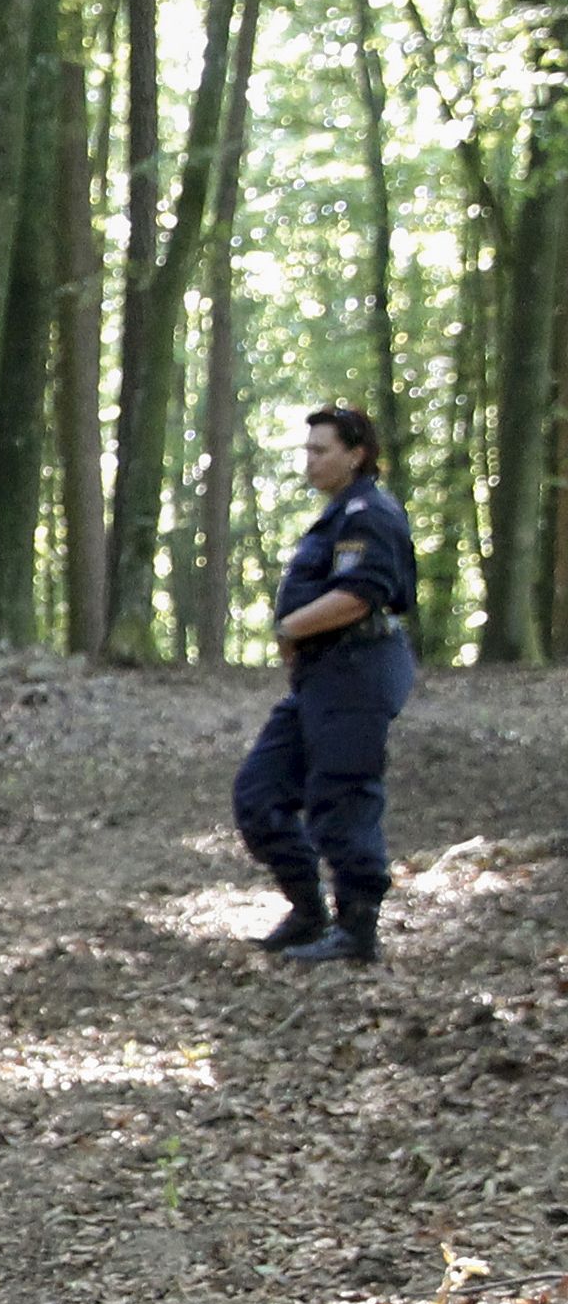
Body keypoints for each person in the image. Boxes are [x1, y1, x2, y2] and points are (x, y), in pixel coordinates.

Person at [234, 403, 417, 965]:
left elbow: (362, 593)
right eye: (307, 450)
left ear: (356, 454)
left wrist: (290, 625)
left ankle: (358, 928)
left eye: (321, 450)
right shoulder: (338, 515)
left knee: (342, 796)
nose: (309, 461)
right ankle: (307, 912)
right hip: (322, 676)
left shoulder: (370, 513)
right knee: (259, 793)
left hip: (357, 672)